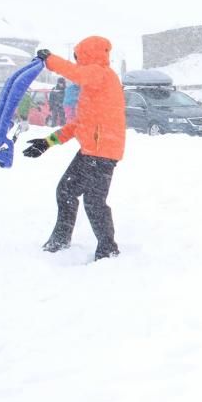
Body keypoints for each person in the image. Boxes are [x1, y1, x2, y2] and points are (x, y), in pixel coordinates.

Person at [23, 37, 126, 260]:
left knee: (93, 201)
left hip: (102, 151)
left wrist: (49, 60)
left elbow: (76, 74)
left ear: (88, 55)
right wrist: (46, 143)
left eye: (79, 57)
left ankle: (108, 250)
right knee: (67, 191)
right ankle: (61, 240)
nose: (77, 61)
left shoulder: (101, 74)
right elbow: (79, 124)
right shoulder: (91, 87)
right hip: (93, 150)